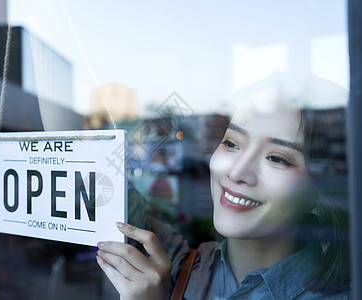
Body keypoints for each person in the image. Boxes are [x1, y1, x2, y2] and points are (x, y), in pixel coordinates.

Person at [95, 85, 351, 299]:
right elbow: (104, 188)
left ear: (322, 191)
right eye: (231, 143)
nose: (237, 171)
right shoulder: (180, 263)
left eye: (277, 158)